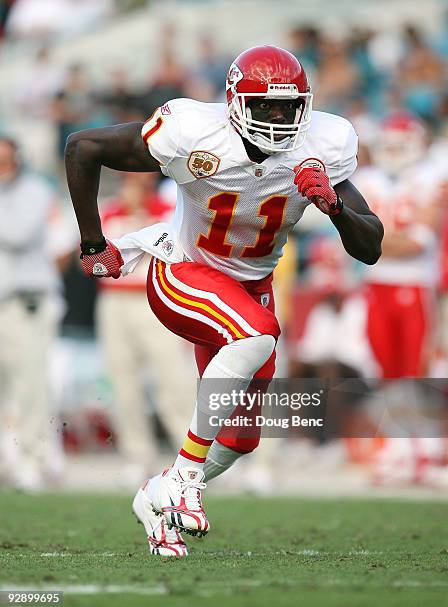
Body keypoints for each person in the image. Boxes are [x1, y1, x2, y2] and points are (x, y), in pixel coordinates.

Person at [65, 45, 383, 557]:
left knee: (238, 442)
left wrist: (334, 204)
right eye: (265, 106)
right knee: (257, 333)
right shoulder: (193, 129)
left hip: (250, 288)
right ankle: (186, 478)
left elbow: (370, 246)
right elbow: (83, 147)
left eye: (289, 107)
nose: (278, 119)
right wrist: (93, 243)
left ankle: (156, 495)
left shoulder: (326, 142)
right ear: (236, 102)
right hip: (182, 271)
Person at [97, 172, 195, 484]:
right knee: (123, 382)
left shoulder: (165, 211)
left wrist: (141, 216)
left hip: (155, 300)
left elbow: (171, 250)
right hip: (114, 302)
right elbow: (94, 258)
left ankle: (190, 455)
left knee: (173, 381)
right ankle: (136, 455)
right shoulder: (109, 212)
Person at [352, 112, 444, 378]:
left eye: (400, 145)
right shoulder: (366, 179)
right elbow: (354, 238)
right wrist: (391, 243)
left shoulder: (431, 177)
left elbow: (418, 243)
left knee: (415, 372)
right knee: (380, 369)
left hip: (416, 283)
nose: (393, 151)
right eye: (389, 145)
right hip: (375, 284)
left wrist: (376, 243)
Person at [0, 136, 65, 490]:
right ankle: (9, 459)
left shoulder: (36, 190)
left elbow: (18, 233)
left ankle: (30, 458)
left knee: (30, 385)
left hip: (26, 301)